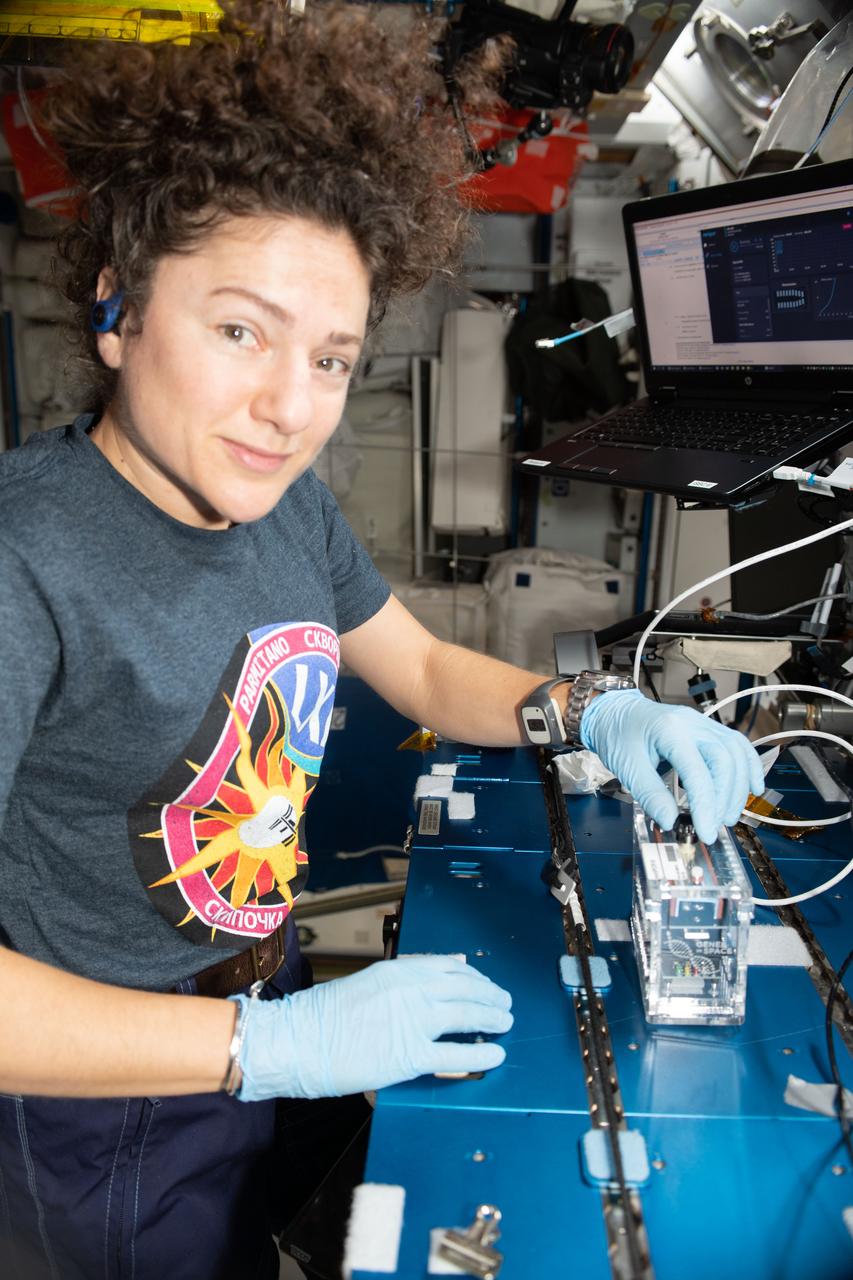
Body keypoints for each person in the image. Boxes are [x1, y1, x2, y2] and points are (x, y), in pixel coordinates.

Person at [0, 4, 764, 1276]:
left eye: (331, 359)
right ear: (117, 307)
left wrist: (596, 708)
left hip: (274, 988)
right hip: (116, 1097)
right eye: (240, 330)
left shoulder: (284, 507)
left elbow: (419, 665)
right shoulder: (25, 554)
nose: (287, 406)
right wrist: (266, 1049)